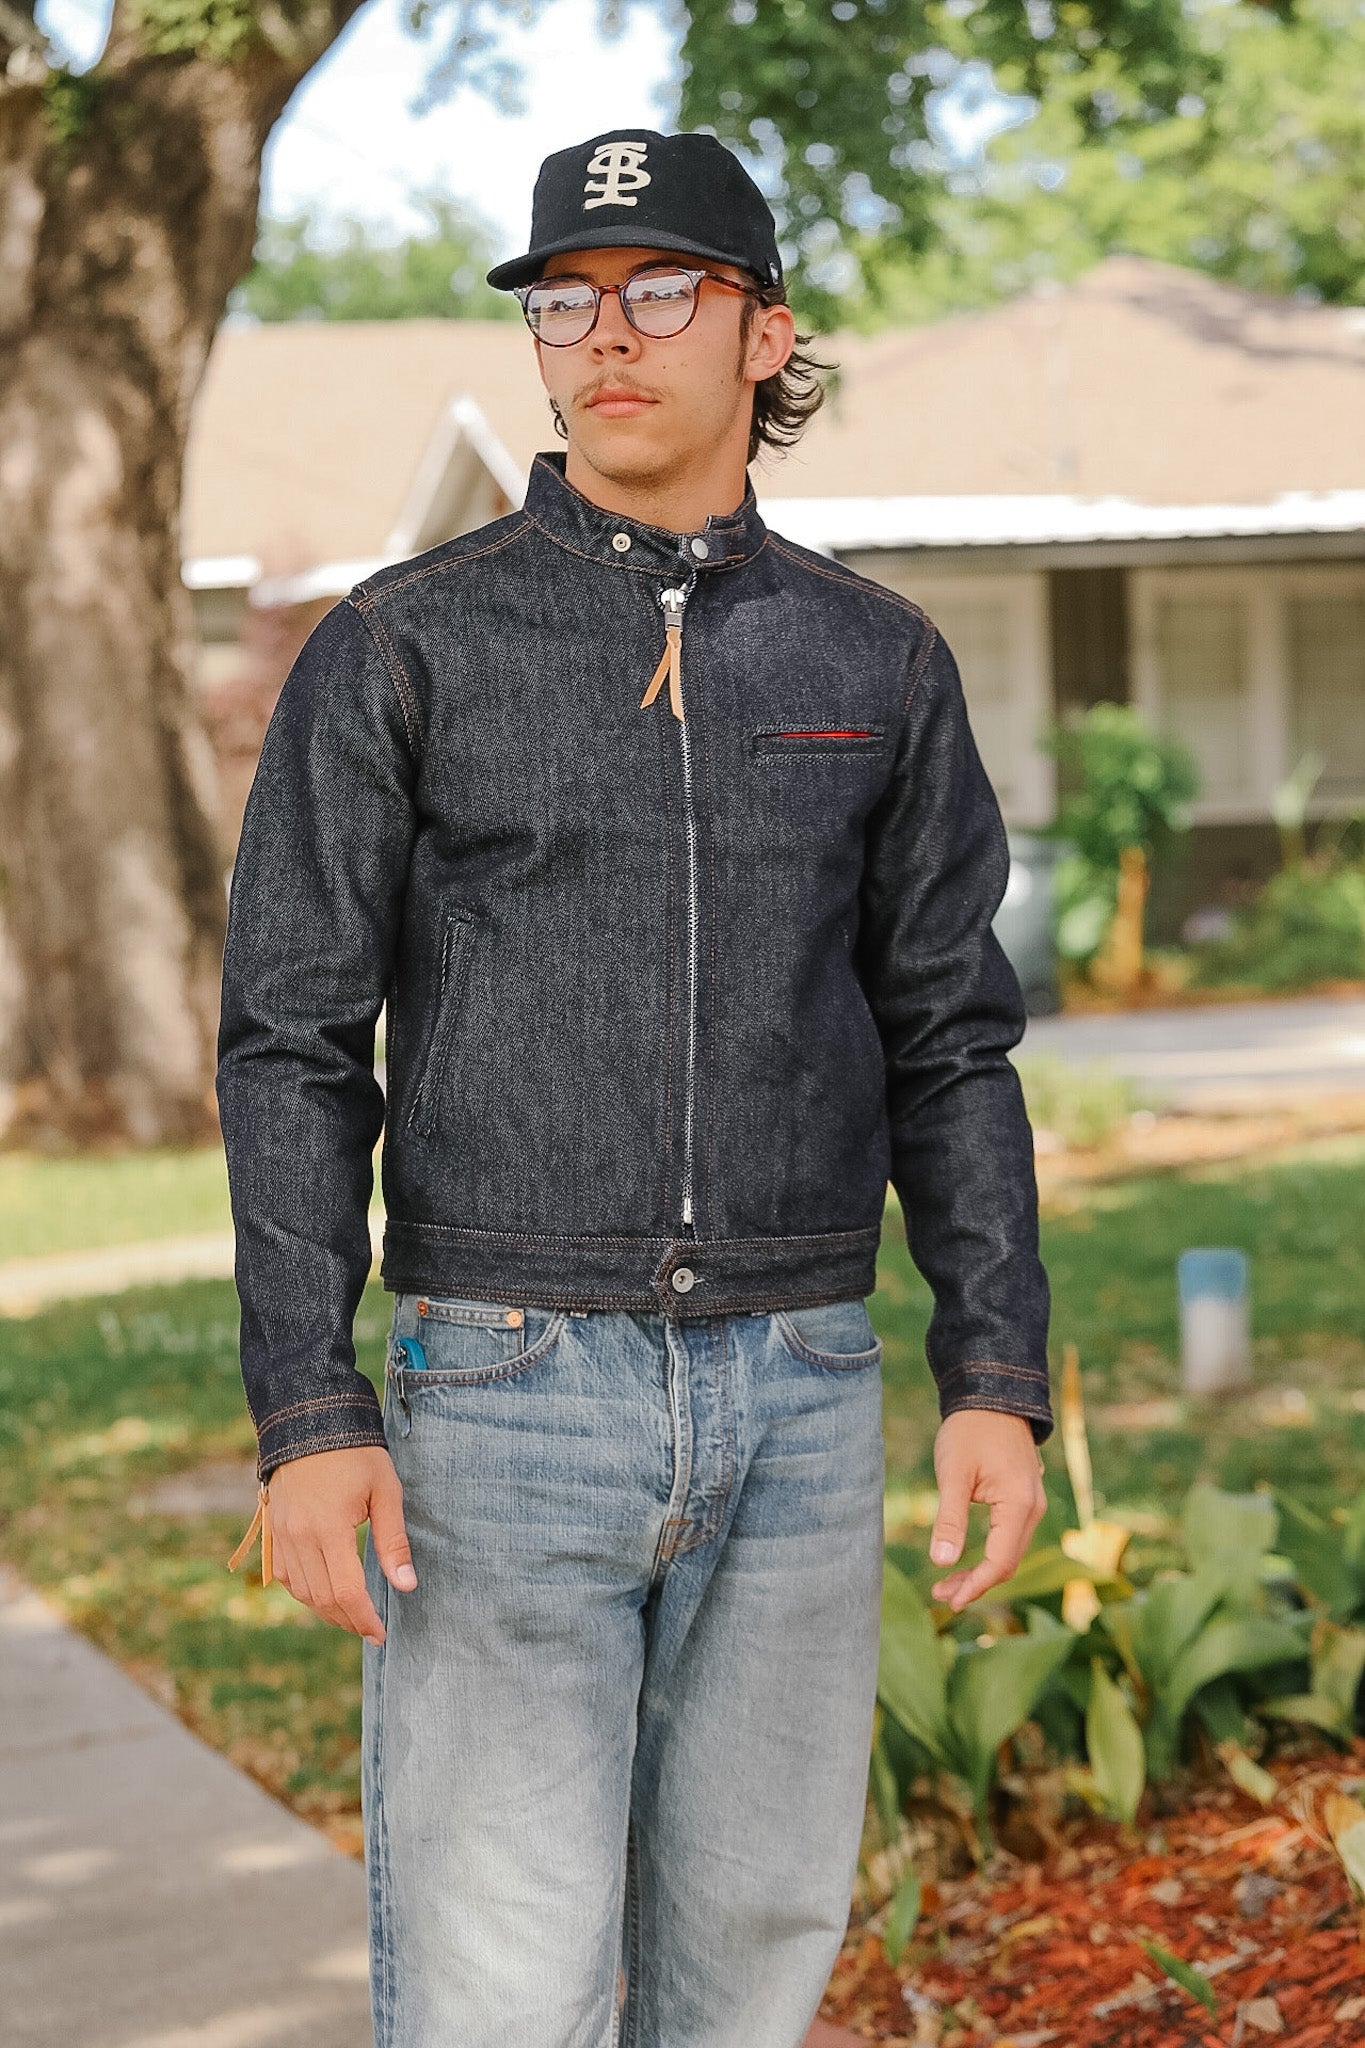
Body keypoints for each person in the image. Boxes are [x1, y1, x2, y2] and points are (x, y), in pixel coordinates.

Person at [218, 126, 1053, 2048]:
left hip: (803, 1384)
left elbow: (949, 1036)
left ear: (765, 333)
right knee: (505, 1992)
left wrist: (991, 1375)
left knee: (753, 1958)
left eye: (663, 291)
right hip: (499, 1395)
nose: (609, 337)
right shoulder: (401, 645)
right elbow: (289, 1039)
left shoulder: (875, 660)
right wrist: (306, 1403)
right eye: (566, 302)